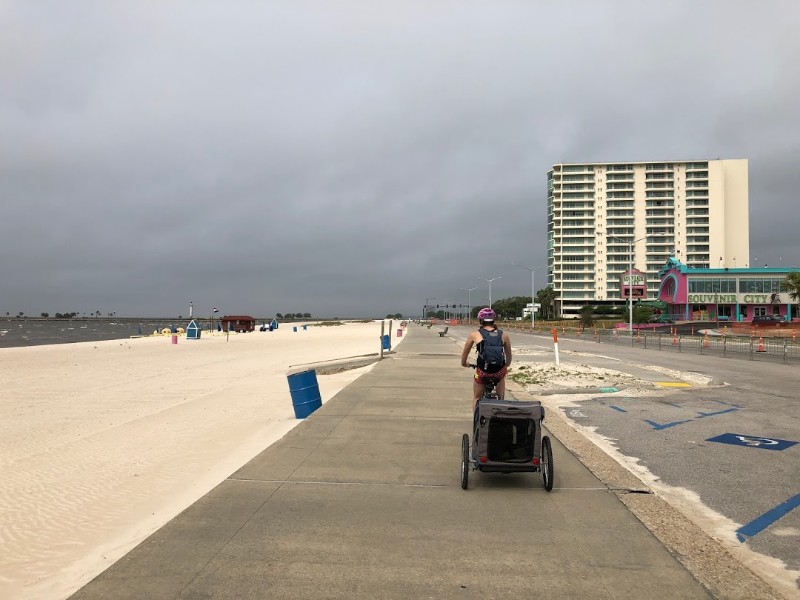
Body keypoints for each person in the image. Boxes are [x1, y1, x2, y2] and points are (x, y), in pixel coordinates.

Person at [460, 307, 512, 408]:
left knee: (477, 398)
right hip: (498, 372)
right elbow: (508, 355)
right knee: (501, 388)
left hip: (482, 372)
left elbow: (464, 354)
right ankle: (500, 402)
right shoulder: (504, 335)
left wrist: (464, 363)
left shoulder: (474, 335)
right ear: (494, 320)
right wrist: (506, 365)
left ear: (480, 320)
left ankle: (477, 420)